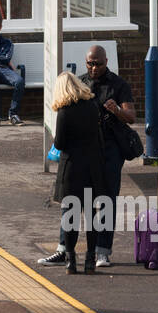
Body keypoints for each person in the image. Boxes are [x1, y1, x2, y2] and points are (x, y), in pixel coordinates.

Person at [37, 72, 107, 275]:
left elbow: (59, 143)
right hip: (92, 168)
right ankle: (90, 259)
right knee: (91, 215)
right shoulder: (93, 106)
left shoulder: (65, 112)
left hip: (72, 169)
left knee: (71, 216)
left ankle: (70, 260)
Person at [78, 45, 134, 269]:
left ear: (106, 61)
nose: (93, 68)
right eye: (90, 63)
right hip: (87, 149)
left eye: (98, 64)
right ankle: (87, 250)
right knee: (86, 200)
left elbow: (131, 117)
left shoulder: (118, 85)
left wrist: (116, 111)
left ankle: (103, 251)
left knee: (108, 199)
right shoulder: (80, 83)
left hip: (111, 149)